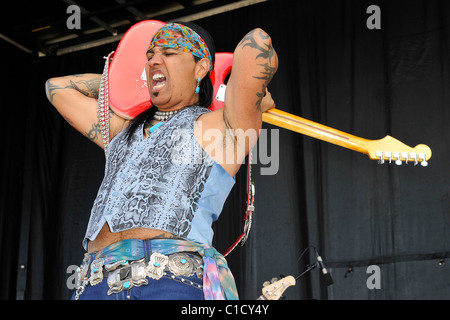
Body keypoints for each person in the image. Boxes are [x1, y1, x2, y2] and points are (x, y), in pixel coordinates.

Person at [45, 21, 278, 300]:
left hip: (170, 282)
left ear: (201, 68)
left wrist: (240, 93)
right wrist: (125, 84)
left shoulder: (218, 126)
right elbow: (56, 88)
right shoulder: (121, 132)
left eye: (169, 52)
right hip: (95, 284)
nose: (154, 60)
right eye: (150, 56)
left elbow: (257, 42)